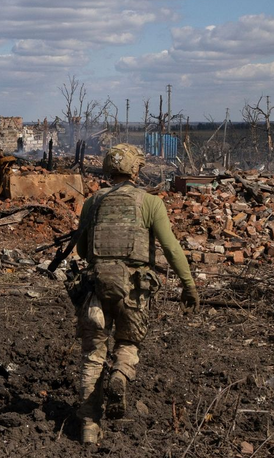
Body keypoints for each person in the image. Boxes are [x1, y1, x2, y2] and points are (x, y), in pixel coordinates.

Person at [70, 143, 200, 444]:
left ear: (107, 169)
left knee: (92, 356)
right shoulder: (150, 203)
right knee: (128, 342)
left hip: (96, 288)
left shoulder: (93, 202)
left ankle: (89, 425)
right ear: (136, 170)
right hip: (134, 291)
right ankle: (120, 374)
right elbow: (171, 247)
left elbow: (81, 248)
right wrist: (188, 285)